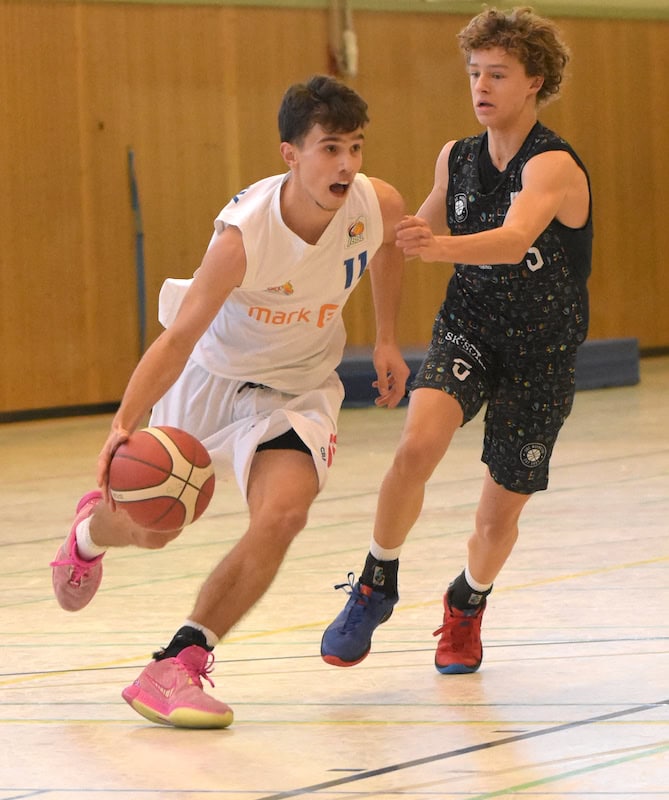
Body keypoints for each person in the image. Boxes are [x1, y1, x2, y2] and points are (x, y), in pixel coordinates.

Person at [50, 74, 410, 728]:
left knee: (282, 515)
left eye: (355, 147)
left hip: (297, 384)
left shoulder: (373, 201)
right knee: (152, 527)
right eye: (329, 148)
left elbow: (388, 248)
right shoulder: (244, 236)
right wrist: (122, 425)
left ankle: (179, 662)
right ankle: (87, 533)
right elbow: (179, 336)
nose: (346, 164)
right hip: (212, 374)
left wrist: (386, 338)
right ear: (289, 154)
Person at [321, 6, 592, 675]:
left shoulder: (550, 164)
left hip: (541, 353)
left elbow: (511, 240)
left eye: (497, 73)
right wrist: (384, 336)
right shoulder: (456, 157)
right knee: (415, 446)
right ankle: (374, 583)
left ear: (532, 82)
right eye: (475, 72)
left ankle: (466, 603)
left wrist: (436, 247)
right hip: (467, 329)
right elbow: (404, 235)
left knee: (495, 518)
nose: (481, 85)